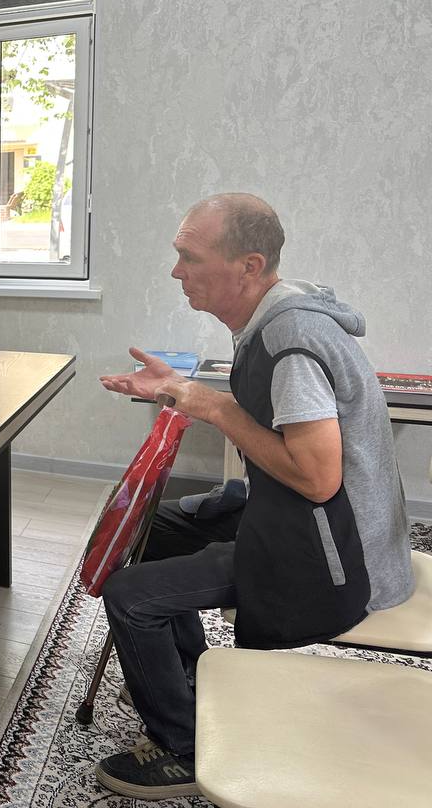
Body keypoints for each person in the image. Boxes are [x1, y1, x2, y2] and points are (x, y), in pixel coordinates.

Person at [93, 193, 413, 799]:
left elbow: (316, 478)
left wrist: (211, 406)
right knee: (154, 529)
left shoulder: (290, 343)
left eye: (190, 257)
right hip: (313, 519)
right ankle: (193, 682)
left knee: (130, 596)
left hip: (342, 555)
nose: (176, 271)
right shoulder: (274, 318)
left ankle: (184, 748)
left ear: (249, 266)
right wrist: (183, 388)